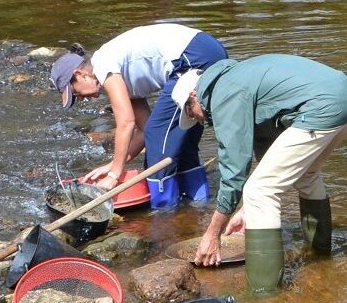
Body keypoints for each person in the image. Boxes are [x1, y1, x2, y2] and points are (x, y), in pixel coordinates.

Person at [181, 55, 347, 294]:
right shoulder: (239, 79)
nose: (197, 120)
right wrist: (246, 210)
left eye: (191, 113)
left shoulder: (224, 95)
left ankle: (264, 293)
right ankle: (319, 255)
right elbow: (269, 158)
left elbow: (234, 171)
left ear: (194, 96)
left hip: (323, 106)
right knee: (305, 175)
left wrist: (212, 234)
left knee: (260, 191)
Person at [51, 23, 229, 209]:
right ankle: (199, 206)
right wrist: (113, 164)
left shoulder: (103, 66)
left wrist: (114, 176)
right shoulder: (120, 77)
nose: (80, 99)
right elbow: (143, 130)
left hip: (194, 57)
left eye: (75, 93)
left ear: (80, 74)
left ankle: (164, 212)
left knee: (159, 136)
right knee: (179, 141)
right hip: (208, 51)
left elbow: (126, 123)